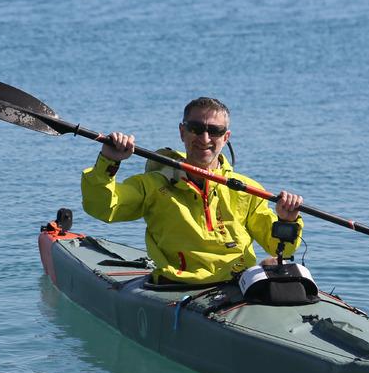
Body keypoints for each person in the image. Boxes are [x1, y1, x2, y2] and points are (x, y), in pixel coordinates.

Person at [80, 96, 304, 285]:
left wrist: (288, 221)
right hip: (175, 286)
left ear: (226, 137)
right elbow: (102, 208)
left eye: (214, 131)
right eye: (196, 129)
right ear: (182, 132)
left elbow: (279, 247)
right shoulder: (152, 185)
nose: (205, 139)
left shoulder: (248, 189)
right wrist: (108, 160)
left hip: (239, 285)